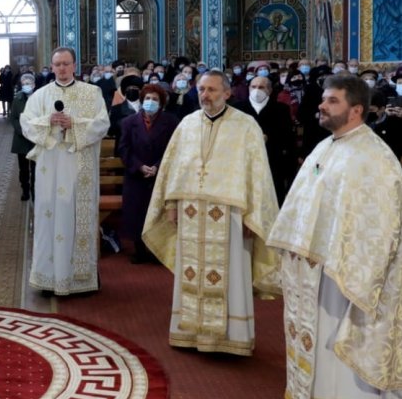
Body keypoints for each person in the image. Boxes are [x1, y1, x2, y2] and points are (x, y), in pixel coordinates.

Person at [268, 75, 402, 399]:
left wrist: (350, 268)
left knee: (341, 346)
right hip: (317, 270)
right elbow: (303, 203)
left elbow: (380, 227)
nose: (321, 105)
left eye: (331, 101)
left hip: (346, 276)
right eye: (324, 100)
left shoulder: (373, 157)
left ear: (356, 110)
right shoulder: (326, 148)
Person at [143, 71, 280, 355]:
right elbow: (173, 167)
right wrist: (170, 205)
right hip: (190, 212)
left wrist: (252, 216)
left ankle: (231, 336)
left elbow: (258, 176)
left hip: (230, 215)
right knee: (189, 271)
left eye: (213, 90)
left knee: (231, 273)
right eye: (202, 89)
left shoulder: (246, 126)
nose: (206, 95)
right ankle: (189, 332)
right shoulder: (187, 124)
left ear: (228, 93)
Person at [21, 47, 109, 295]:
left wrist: (75, 124)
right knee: (49, 217)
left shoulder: (92, 93)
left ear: (74, 65)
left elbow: (102, 124)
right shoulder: (40, 95)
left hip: (79, 167)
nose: (61, 68)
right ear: (51, 66)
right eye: (57, 64)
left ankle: (81, 279)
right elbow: (26, 123)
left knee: (76, 216)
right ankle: (49, 278)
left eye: (66, 63)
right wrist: (47, 122)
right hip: (50, 167)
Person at [118, 84, 179, 264]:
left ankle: (157, 250)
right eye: (147, 99)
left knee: (158, 212)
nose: (150, 102)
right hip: (136, 175)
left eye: (155, 99)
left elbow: (174, 148)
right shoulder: (129, 122)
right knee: (137, 212)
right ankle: (139, 249)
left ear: (161, 103)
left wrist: (158, 167)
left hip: (161, 174)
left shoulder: (172, 121)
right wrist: (139, 166)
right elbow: (123, 148)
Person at [236, 75, 297, 202]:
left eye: (261, 87)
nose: (256, 90)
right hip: (245, 163)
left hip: (273, 162)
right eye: (253, 87)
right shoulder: (237, 109)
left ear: (269, 90)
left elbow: (288, 138)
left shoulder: (281, 109)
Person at [9, 72, 37, 200]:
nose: (26, 86)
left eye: (28, 83)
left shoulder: (39, 98)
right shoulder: (17, 99)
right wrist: (21, 130)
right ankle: (25, 189)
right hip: (21, 138)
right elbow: (13, 117)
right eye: (24, 84)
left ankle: (35, 190)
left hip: (36, 138)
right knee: (24, 168)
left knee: (36, 167)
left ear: (33, 85)